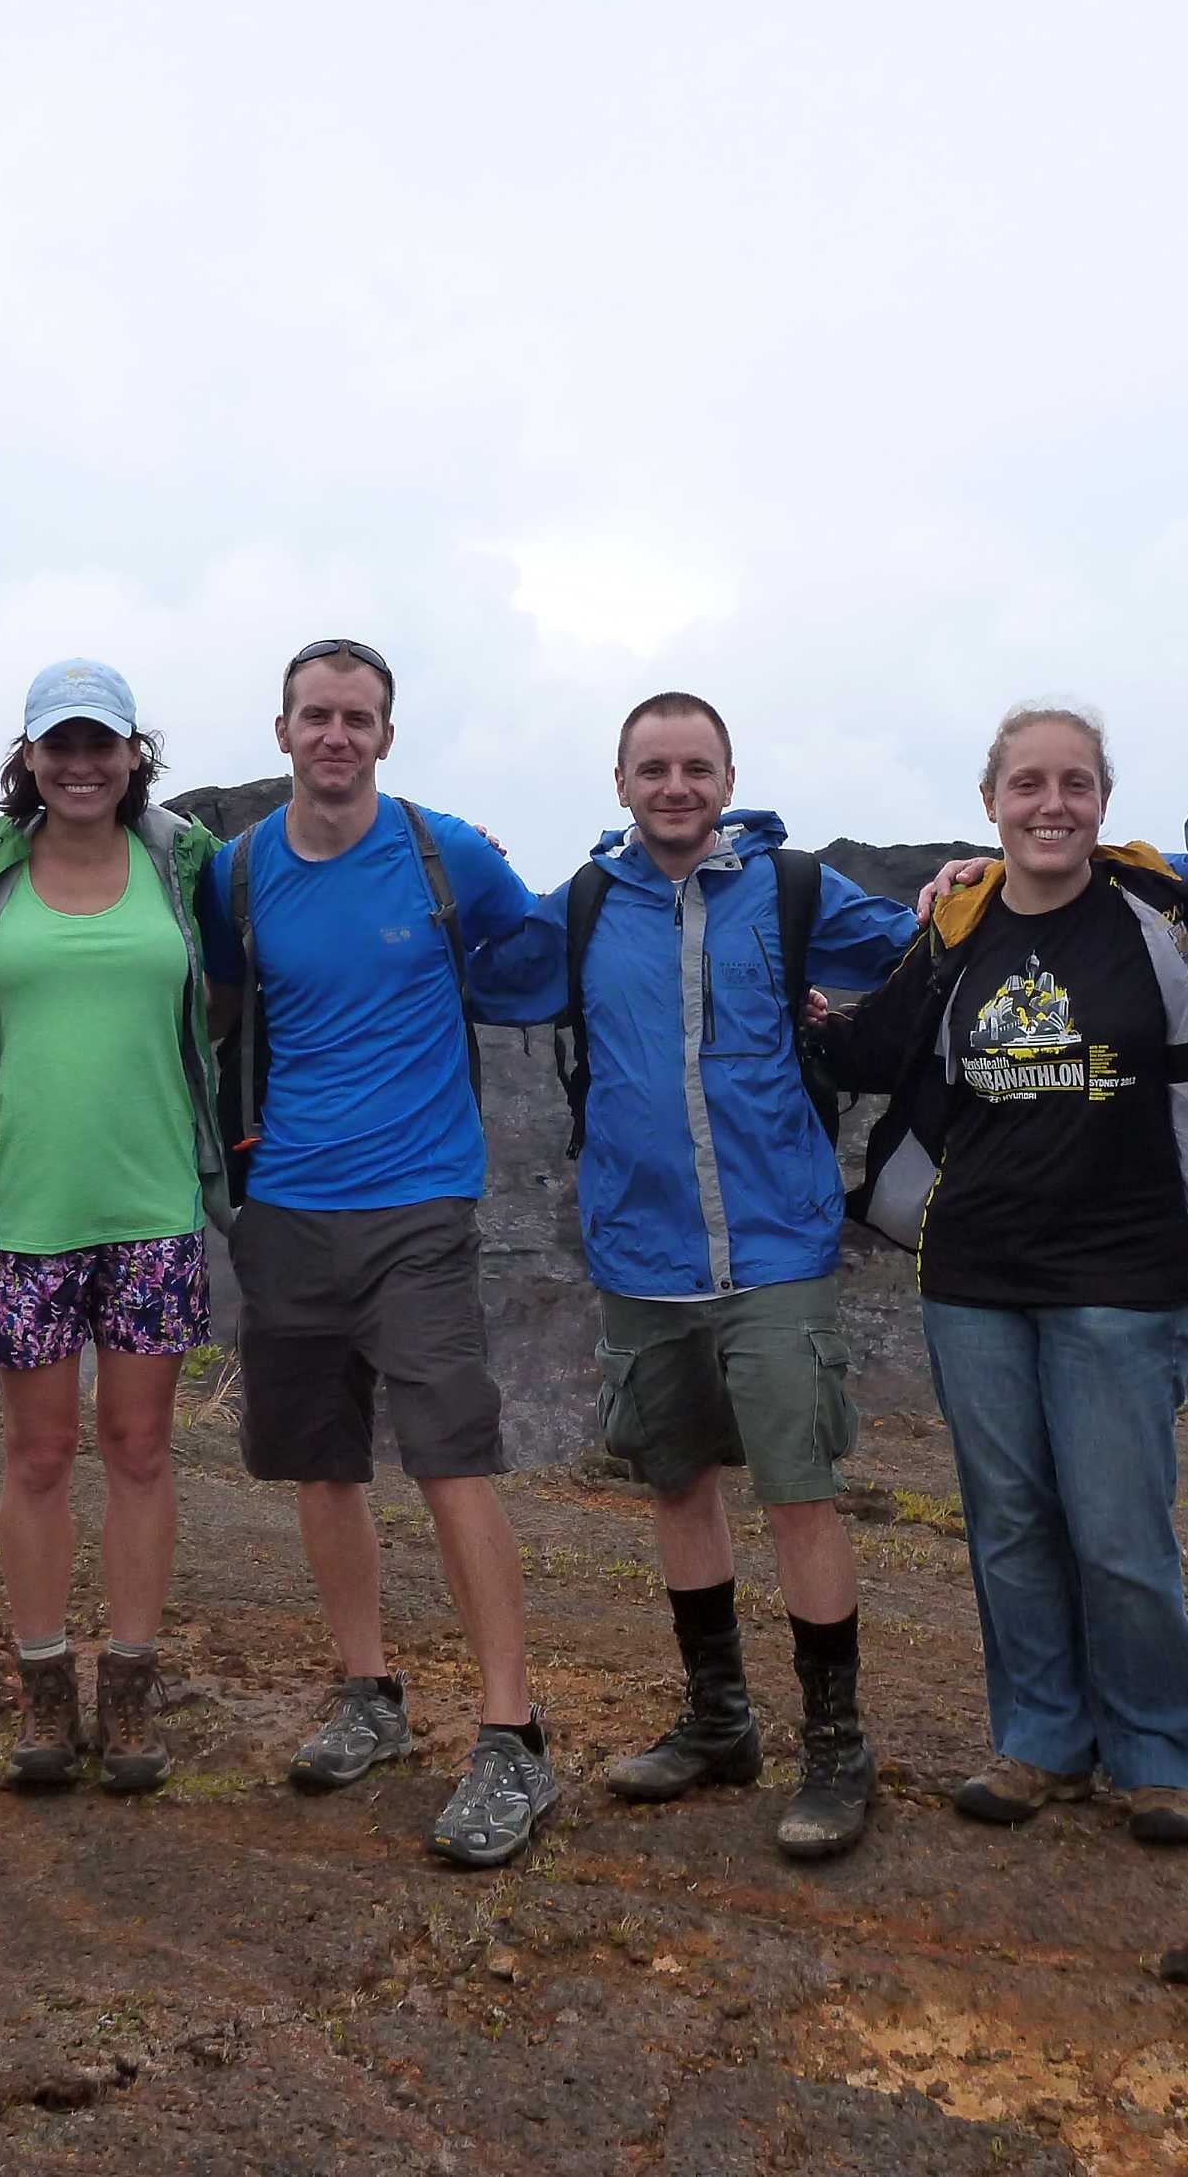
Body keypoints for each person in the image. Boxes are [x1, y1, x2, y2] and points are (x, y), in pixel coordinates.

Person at [469, 692, 917, 1860]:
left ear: (728, 775)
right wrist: (468, 896)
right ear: (621, 783)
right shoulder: (582, 911)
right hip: (642, 1249)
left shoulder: (794, 891)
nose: (676, 785)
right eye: (654, 767)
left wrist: (964, 884)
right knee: (676, 1482)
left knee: (798, 1490)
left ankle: (836, 1749)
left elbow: (924, 941)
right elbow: (481, 975)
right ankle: (720, 1721)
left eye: (695, 766)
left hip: (775, 1242)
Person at [826, 705, 1188, 1851]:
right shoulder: (958, 927)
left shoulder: (1155, 921)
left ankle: (1161, 1756)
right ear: (991, 802)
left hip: (1123, 1275)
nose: (1051, 805)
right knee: (1010, 1524)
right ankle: (1037, 1743)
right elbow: (877, 1053)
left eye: (1075, 784)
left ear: (1104, 800)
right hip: (973, 1270)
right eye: (1028, 785)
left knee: (1121, 1532)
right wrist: (791, 1008)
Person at [196, 638, 557, 1868]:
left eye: (358, 717)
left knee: (452, 1458)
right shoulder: (241, 872)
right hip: (287, 1203)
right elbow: (211, 999)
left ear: (387, 736)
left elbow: (542, 954)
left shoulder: (445, 851)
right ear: (283, 730)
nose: (336, 736)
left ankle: (512, 1736)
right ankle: (370, 1695)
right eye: (316, 716)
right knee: (321, 1461)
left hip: (421, 1203)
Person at [0, 658, 232, 1798]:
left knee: (139, 1449)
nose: (82, 765)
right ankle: (45, 1692)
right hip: (21, 1212)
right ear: (28, 757)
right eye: (61, 745)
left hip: (155, 1206)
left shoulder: (182, 862)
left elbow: (252, 958)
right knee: (38, 1454)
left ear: (137, 754)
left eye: (103, 744)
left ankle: (128, 1691)